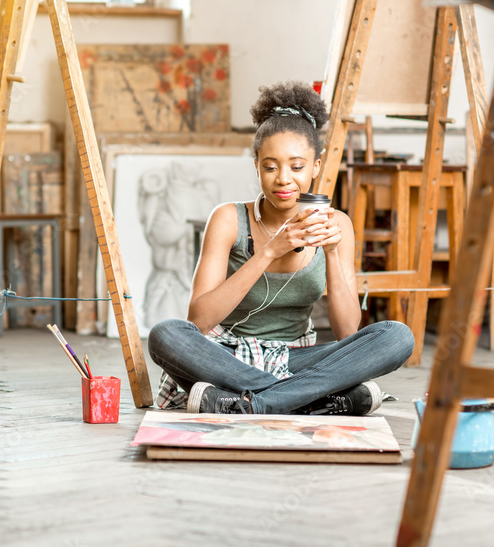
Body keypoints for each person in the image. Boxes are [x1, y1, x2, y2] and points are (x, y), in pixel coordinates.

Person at [147, 81, 414, 415]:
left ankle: (254, 403)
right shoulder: (229, 219)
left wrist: (331, 252)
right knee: (166, 335)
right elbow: (198, 321)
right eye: (270, 167)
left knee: (397, 336)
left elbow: (348, 333)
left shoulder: (338, 225)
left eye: (297, 166)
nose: (284, 179)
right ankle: (308, 400)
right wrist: (270, 251)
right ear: (257, 165)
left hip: (298, 358)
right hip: (228, 356)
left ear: (316, 166)